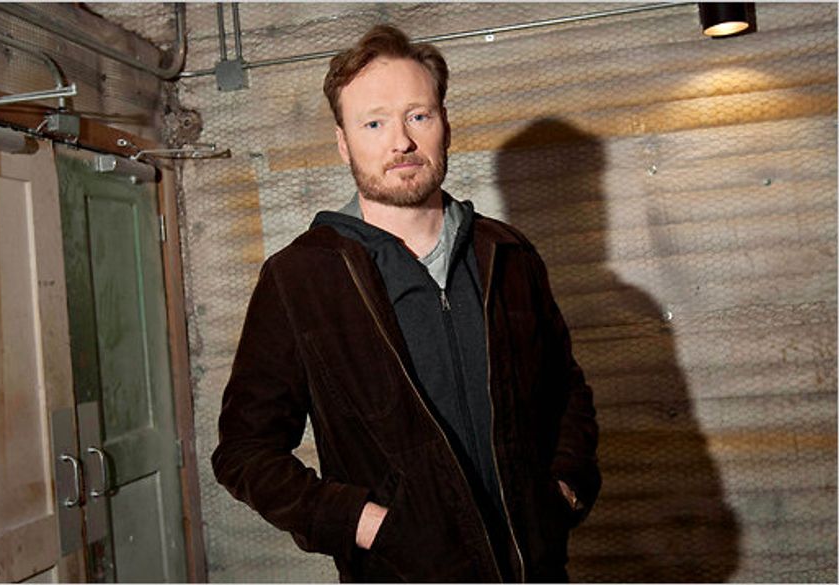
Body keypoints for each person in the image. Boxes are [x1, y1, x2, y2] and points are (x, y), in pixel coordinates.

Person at [212, 24, 600, 583]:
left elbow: (566, 390)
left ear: (445, 125)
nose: (401, 143)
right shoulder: (300, 279)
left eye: (418, 116)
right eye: (374, 123)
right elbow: (245, 451)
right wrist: (367, 526)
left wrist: (564, 489)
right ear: (343, 143)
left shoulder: (508, 254)